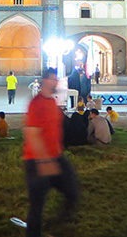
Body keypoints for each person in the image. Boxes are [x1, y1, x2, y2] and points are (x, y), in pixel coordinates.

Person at [22, 68, 79, 237]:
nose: (55, 82)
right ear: (44, 81)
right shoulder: (36, 104)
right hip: (37, 161)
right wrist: (44, 162)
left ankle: (57, 224)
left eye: (56, 79)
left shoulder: (52, 103)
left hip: (56, 157)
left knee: (72, 192)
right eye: (52, 79)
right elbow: (31, 133)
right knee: (37, 206)